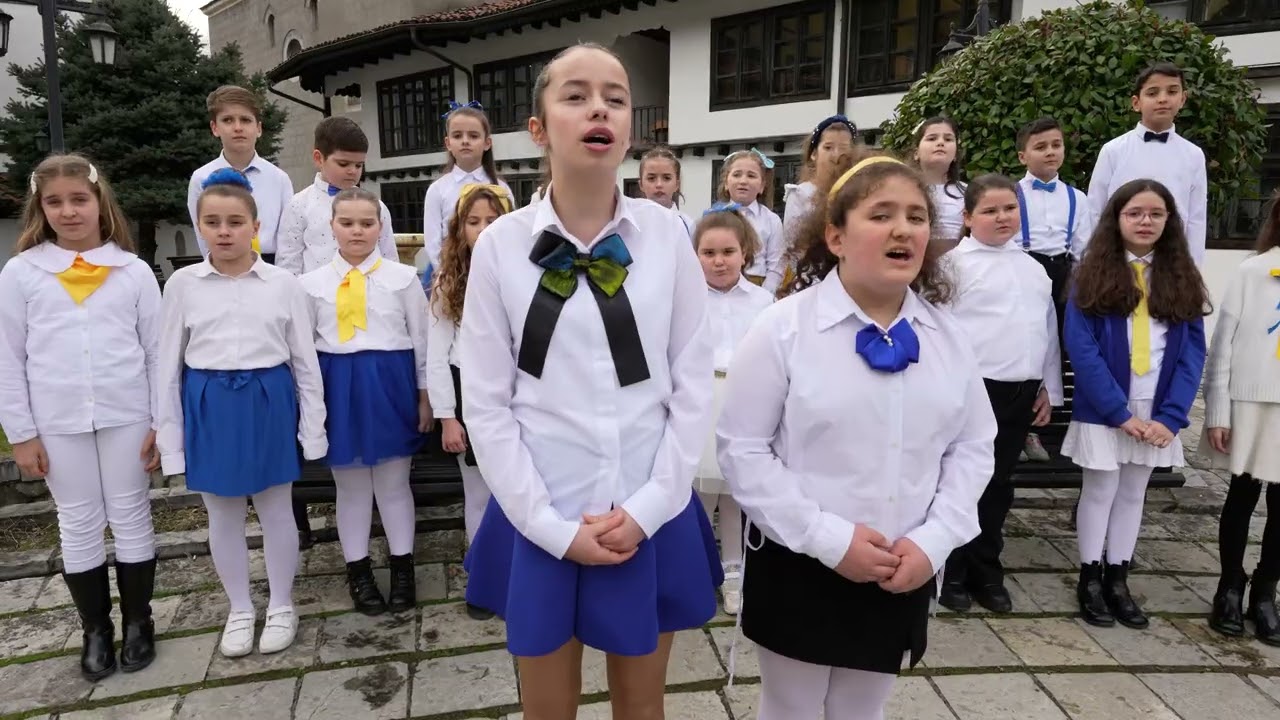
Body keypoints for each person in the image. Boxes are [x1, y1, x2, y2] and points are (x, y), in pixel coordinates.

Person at [458, 43, 722, 719]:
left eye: (615, 96)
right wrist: (547, 525)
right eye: (575, 95)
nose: (598, 107)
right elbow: (486, 403)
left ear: (629, 126)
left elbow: (691, 384)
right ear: (540, 128)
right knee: (549, 711)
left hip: (648, 509)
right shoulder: (500, 246)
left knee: (643, 707)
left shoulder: (668, 238)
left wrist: (650, 506)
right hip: (542, 510)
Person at [717, 155, 997, 719]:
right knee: (792, 708)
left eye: (917, 216)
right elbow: (743, 450)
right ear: (835, 236)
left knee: (861, 710)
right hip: (801, 560)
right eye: (882, 214)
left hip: (901, 565)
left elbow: (972, 447)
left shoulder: (949, 338)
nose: (904, 229)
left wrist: (935, 540)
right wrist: (828, 538)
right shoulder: (782, 329)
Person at [0, 154, 161, 680]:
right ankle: (96, 628)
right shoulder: (22, 273)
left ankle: (140, 620)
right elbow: (9, 356)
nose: (68, 211)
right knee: (78, 521)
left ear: (99, 202)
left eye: (79, 199)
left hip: (127, 413)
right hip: (57, 419)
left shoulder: (133, 271)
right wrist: (21, 434)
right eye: (55, 202)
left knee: (132, 513)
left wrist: (162, 422)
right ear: (40, 208)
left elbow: (157, 351)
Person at [158, 169, 327, 658]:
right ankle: (238, 607)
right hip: (210, 401)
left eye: (236, 221)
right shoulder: (183, 285)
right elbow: (167, 364)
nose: (225, 230)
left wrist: (312, 428)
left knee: (276, 509)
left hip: (268, 398)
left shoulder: (282, 284)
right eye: (213, 221)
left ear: (255, 226)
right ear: (200, 226)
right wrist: (172, 439)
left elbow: (304, 362)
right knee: (222, 512)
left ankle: (280, 603)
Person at [1063, 179, 1208, 630]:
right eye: (1135, 213)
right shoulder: (1091, 272)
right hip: (1107, 408)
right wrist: (1117, 412)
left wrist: (1171, 417)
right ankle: (1089, 576)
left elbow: (1191, 354)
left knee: (1133, 493)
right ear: (1117, 219)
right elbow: (1081, 348)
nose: (1145, 221)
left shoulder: (1182, 276)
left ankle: (1118, 576)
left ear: (1169, 221)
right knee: (1101, 490)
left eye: (1156, 214)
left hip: (1155, 408)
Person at [301, 187, 431, 617]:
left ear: (380, 226)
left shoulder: (404, 279)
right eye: (347, 222)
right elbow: (302, 352)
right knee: (352, 488)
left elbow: (422, 342)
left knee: (394, 485)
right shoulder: (310, 285)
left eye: (367, 222)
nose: (357, 231)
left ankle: (402, 567)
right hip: (338, 388)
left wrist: (425, 397)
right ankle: (357, 570)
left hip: (390, 387)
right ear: (332, 226)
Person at [939, 174, 1062, 614]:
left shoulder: (1033, 268)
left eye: (1009, 208)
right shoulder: (953, 266)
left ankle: (985, 570)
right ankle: (950, 569)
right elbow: (940, 331)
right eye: (989, 210)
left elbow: (1045, 329)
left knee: (998, 485)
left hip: (1020, 392)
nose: (1001, 217)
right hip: (971, 392)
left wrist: (1048, 387)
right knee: (960, 482)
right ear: (969, 217)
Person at [426, 182, 513, 620]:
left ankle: (518, 577)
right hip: (467, 391)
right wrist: (447, 417)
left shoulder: (522, 272)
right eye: (473, 222)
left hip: (516, 393)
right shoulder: (448, 281)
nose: (482, 230)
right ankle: (482, 582)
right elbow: (437, 354)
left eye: (492, 221)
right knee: (478, 494)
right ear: (459, 231)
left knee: (516, 490)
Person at [1201, 198, 1280, 646]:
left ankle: (1266, 591)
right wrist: (1218, 411)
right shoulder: (1254, 271)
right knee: (1241, 497)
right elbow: (1223, 347)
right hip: (1250, 402)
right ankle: (1229, 585)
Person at [691, 202, 773, 616]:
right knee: (700, 493)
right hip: (701, 401)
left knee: (736, 496)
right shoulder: (686, 300)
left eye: (728, 252)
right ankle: (697, 572)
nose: (719, 261)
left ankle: (735, 574)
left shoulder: (764, 301)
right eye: (709, 253)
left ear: (745, 252)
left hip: (743, 402)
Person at [1013, 116, 1096, 464]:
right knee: (1028, 349)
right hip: (1024, 272)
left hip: (1065, 275)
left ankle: (1059, 425)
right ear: (1023, 155)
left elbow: (1085, 246)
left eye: (1056, 145)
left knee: (1063, 348)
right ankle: (1024, 429)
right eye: (1041, 146)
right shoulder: (1012, 194)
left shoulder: (1077, 197)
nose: (1050, 152)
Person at [1087, 62, 1207, 265]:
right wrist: (1093, 259)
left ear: (1182, 99)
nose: (1163, 99)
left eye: (1171, 91)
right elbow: (1095, 209)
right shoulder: (1113, 150)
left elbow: (1196, 218)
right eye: (1152, 93)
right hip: (1118, 257)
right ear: (1136, 103)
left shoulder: (1193, 155)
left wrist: (1192, 267)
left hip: (1171, 259)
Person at [276, 117, 400, 275]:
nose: (352, 171)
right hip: (316, 296)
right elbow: (288, 263)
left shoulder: (376, 206)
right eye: (343, 164)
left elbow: (389, 257)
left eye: (358, 165)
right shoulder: (298, 205)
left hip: (368, 294)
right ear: (318, 158)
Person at [187, 85, 294, 263]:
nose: (238, 127)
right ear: (214, 128)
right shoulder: (201, 178)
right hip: (222, 265)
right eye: (228, 120)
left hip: (271, 266)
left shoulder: (279, 178)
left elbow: (288, 237)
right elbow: (203, 237)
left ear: (259, 128)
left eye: (245, 120)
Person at [419, 101, 511, 288]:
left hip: (493, 270)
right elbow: (432, 240)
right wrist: (447, 274)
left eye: (474, 135)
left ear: (487, 143)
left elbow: (509, 233)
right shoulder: (437, 189)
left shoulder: (500, 188)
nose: (465, 141)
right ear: (448, 143)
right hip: (447, 273)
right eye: (457, 135)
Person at [717, 148, 783, 292]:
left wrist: (764, 296)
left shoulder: (771, 220)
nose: (743, 181)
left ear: (762, 186)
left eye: (751, 176)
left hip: (757, 286)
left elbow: (776, 266)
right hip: (720, 285)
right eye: (737, 175)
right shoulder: (715, 218)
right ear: (726, 183)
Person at [912, 116, 966, 244]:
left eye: (948, 139)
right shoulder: (903, 190)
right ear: (916, 153)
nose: (940, 143)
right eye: (932, 138)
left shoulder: (969, 193)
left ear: (956, 155)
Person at [637, 146, 694, 235]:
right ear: (641, 184)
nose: (659, 184)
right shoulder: (629, 224)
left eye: (666, 178)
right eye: (651, 178)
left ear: (677, 184)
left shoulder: (688, 226)